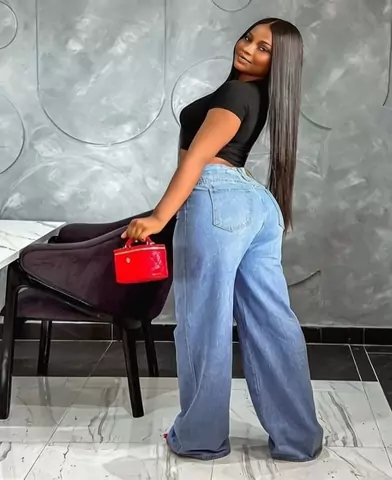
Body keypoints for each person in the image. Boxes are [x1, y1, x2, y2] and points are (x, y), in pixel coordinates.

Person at [122, 17, 323, 462]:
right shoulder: (258, 95)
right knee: (272, 323)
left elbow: (197, 159)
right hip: (254, 204)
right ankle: (299, 438)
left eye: (264, 48)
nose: (248, 48)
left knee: (203, 324)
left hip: (215, 200)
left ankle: (199, 437)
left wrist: (159, 216)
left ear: (279, 62)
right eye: (249, 38)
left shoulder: (236, 93)